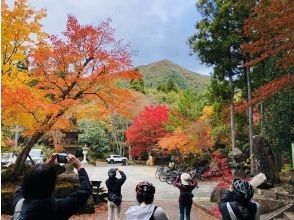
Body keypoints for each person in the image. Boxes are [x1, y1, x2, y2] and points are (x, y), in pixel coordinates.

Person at [12, 154, 92, 220]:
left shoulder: (19, 202)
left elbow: (23, 185)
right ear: (52, 186)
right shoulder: (59, 207)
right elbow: (86, 190)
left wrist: (44, 167)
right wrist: (79, 167)